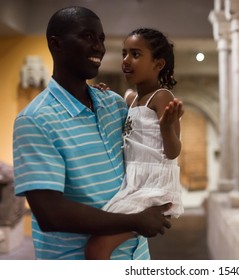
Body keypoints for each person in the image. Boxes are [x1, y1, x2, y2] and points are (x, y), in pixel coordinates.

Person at [12, 6, 172, 260]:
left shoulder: (114, 104)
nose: (99, 46)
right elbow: (49, 213)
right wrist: (133, 221)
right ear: (57, 44)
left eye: (101, 39)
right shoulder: (36, 120)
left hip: (136, 256)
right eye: (88, 37)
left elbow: (146, 150)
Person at [85, 28, 184, 260]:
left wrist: (167, 126)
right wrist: (101, 93)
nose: (126, 60)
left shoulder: (162, 97)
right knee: (98, 241)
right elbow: (119, 105)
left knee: (97, 248)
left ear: (158, 64)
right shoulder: (130, 98)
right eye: (124, 53)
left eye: (136, 54)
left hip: (153, 187)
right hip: (133, 183)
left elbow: (173, 151)